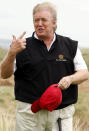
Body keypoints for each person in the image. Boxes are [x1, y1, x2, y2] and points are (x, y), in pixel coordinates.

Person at [0, 2, 89, 131]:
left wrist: (70, 79)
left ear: (54, 23)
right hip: (29, 116)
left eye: (44, 20)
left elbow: (84, 73)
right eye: (36, 20)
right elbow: (4, 74)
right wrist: (11, 53)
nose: (39, 24)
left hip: (61, 115)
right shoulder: (20, 46)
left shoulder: (69, 45)